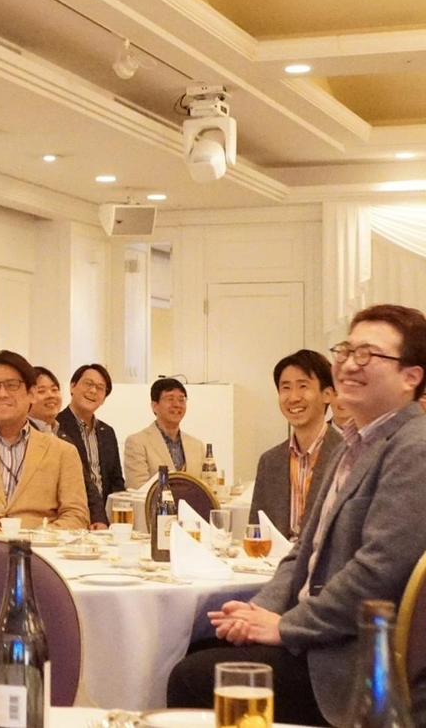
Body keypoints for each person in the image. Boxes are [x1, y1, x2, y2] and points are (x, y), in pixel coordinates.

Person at [167, 304, 426, 726]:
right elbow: (302, 551)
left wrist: (285, 627)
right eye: (346, 350)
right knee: (193, 646)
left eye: (367, 354)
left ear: (410, 377)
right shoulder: (354, 445)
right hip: (316, 638)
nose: (348, 364)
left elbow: (379, 573)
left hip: (351, 658)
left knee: (189, 677)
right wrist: (257, 614)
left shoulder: (414, 447)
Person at [0, 350, 90, 530]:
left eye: (12, 385)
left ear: (32, 393)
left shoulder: (63, 452)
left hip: (39, 545)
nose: (2, 394)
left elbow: (76, 516)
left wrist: (38, 537)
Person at [248, 350, 342, 539]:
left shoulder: (348, 456)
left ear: (327, 394)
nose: (293, 397)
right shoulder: (269, 461)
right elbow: (255, 531)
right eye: (286, 388)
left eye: (303, 386)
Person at [55, 364, 124, 528]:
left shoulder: (107, 432)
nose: (93, 391)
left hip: (105, 522)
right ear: (72, 386)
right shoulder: (57, 427)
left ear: (104, 398)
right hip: (71, 517)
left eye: (100, 388)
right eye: (88, 384)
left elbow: (116, 482)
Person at [124, 378, 205, 489]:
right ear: (154, 405)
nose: (177, 404)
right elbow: (137, 488)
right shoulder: (137, 442)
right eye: (170, 399)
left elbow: (206, 487)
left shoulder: (197, 446)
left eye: (181, 400)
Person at [27, 366, 62, 437]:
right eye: (41, 391)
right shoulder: (23, 434)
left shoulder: (64, 436)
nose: (51, 395)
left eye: (54, 390)